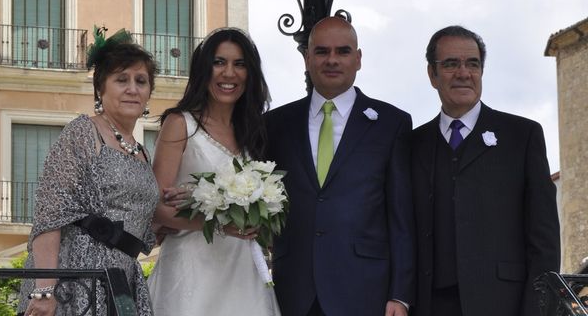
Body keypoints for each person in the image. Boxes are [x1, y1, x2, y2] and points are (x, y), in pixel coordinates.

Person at [265, 16, 415, 316]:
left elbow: (402, 216)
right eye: (321, 51)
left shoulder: (391, 123)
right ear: (307, 58)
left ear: (358, 59)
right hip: (294, 290)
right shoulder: (275, 124)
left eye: (343, 51)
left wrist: (400, 294)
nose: (332, 60)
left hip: (365, 290)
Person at [410, 25, 560, 316]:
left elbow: (544, 239)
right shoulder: (412, 144)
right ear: (432, 74)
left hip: (504, 303)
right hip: (428, 305)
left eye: (473, 64)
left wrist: (538, 310)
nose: (464, 73)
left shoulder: (522, 136)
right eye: (451, 64)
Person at [18, 27, 159, 316]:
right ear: (100, 88)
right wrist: (45, 289)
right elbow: (51, 211)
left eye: (141, 81)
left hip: (123, 281)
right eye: (122, 80)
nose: (133, 88)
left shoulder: (142, 152)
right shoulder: (84, 132)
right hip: (78, 279)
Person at [147, 27, 280, 315]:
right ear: (204, 69)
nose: (228, 73)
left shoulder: (255, 132)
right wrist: (220, 224)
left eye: (239, 64)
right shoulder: (180, 124)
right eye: (219, 62)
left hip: (243, 269)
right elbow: (156, 208)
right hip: (190, 269)